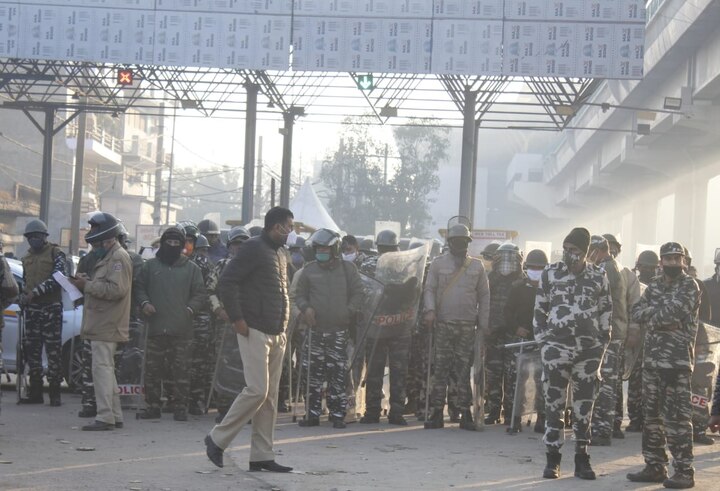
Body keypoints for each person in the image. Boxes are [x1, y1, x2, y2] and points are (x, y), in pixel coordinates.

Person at [204, 207, 294, 473]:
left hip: (277, 331)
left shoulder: (279, 253)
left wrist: (285, 326)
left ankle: (261, 455)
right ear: (277, 226)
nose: (291, 231)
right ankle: (217, 438)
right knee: (257, 390)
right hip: (254, 328)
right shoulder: (254, 247)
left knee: (269, 398)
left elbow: (282, 290)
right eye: (288, 226)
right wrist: (237, 318)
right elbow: (227, 283)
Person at [534, 227, 611, 480]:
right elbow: (539, 310)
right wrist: (544, 342)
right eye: (566, 250)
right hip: (556, 349)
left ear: (586, 252)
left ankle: (582, 458)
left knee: (583, 409)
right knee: (553, 406)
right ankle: (552, 459)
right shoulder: (550, 273)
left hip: (588, 353)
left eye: (575, 251)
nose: (569, 255)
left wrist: (601, 344)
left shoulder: (598, 275)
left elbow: (605, 312)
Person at [627, 242, 700, 489]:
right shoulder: (655, 284)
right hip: (652, 362)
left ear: (683, 261)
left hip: (676, 363)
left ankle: (684, 471)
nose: (671, 263)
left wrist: (657, 318)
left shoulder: (689, 285)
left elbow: (674, 313)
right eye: (667, 259)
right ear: (661, 261)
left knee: (677, 419)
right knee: (652, 418)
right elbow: (636, 311)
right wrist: (662, 320)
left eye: (676, 259)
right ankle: (655, 466)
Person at [135, 225, 207, 422]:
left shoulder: (192, 269)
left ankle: (180, 406)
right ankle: (152, 406)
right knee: (152, 370)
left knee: (182, 371)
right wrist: (145, 303)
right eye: (169, 242)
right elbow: (139, 288)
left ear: (182, 245)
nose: (173, 246)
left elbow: (200, 294)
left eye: (177, 243)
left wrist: (190, 310)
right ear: (163, 243)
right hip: (156, 327)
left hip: (182, 329)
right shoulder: (150, 267)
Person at [294, 228, 365, 429]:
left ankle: (337, 414)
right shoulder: (309, 270)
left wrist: (348, 311)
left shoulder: (348, 270)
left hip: (339, 331)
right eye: (318, 249)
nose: (321, 252)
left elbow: (358, 293)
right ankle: (312, 413)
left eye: (325, 249)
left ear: (334, 249)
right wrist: (305, 308)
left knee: (338, 374)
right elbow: (299, 295)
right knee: (312, 374)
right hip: (315, 331)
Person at [423, 224, 489, 431]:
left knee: (463, 370)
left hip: (468, 325)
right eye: (457, 242)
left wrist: (484, 324)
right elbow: (429, 289)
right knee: (440, 368)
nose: (461, 246)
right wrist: (430, 311)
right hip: (443, 322)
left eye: (464, 242)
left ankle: (465, 412)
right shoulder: (437, 264)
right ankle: (435, 412)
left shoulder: (477, 266)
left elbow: (485, 296)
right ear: (450, 243)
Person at [69, 213, 132, 431]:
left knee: (102, 370)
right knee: (106, 370)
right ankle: (114, 414)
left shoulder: (117, 258)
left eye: (97, 241)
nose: (95, 245)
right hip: (102, 322)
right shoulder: (110, 256)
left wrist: (86, 286)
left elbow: (116, 290)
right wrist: (87, 282)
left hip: (108, 323)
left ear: (108, 238)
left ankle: (105, 417)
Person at [358, 229, 415, 426]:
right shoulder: (368, 265)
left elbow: (414, 292)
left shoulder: (407, 267)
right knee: (374, 370)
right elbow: (364, 291)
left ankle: (395, 411)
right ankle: (373, 411)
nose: (387, 252)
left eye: (389, 249)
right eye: (386, 249)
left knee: (399, 371)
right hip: (377, 325)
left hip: (399, 325)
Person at [19, 219, 67, 406]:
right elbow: (24, 281)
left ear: (45, 237)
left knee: (53, 351)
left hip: (51, 309)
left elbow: (58, 278)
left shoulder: (56, 253)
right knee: (32, 351)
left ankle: (55, 392)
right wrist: (23, 296)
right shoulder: (26, 258)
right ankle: (35, 392)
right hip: (32, 310)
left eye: (37, 236)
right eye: (30, 237)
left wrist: (34, 293)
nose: (33, 240)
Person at [207, 226, 250, 422]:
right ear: (229, 246)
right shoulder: (221, 266)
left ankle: (246, 410)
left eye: (243, 244)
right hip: (225, 323)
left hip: (249, 324)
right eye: (235, 244)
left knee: (248, 367)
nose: (239, 248)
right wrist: (219, 310)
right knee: (223, 366)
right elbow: (210, 291)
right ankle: (224, 409)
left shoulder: (256, 266)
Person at [587, 235, 627, 447]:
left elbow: (600, 301)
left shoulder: (607, 269)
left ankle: (602, 431)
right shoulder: (611, 265)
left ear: (597, 250)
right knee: (608, 382)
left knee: (606, 385)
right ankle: (605, 427)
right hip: (611, 332)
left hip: (609, 333)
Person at [504, 248, 549, 433]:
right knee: (518, 380)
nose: (536, 270)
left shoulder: (550, 289)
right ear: (526, 268)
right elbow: (507, 311)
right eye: (533, 267)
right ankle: (514, 417)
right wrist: (516, 328)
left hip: (542, 340)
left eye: (540, 267)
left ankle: (542, 418)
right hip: (521, 339)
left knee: (542, 380)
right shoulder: (518, 288)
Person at [603, 233, 640, 440]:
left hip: (617, 335)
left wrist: (633, 330)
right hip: (594, 336)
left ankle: (614, 423)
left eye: (614, 247)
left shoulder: (627, 274)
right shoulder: (589, 271)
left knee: (614, 381)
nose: (611, 251)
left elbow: (635, 305)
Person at [179, 222, 219, 417]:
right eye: (183, 240)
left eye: (189, 241)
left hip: (200, 319)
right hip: (178, 318)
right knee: (178, 361)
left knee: (199, 362)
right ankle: (177, 400)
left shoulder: (202, 263)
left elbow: (207, 292)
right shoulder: (173, 261)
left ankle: (196, 400)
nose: (185, 244)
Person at [485, 242, 525, 425]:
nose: (507, 262)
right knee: (493, 374)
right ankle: (493, 410)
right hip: (494, 333)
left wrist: (520, 269)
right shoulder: (491, 278)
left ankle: (511, 413)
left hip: (513, 334)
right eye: (503, 257)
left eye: (511, 257)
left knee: (513, 375)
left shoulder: (521, 280)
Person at [626, 249, 660, 433]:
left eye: (651, 267)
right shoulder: (634, 284)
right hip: (638, 339)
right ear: (639, 267)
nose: (647, 270)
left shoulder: (661, 286)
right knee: (635, 381)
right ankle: (635, 418)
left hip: (657, 341)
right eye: (644, 267)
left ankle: (650, 417)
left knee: (653, 382)